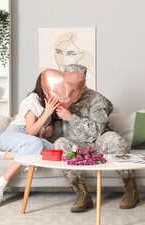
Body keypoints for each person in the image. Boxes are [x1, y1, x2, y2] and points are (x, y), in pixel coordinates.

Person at [54, 64, 139, 212]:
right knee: (60, 143)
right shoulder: (61, 97)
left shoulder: (97, 100)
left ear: (83, 82)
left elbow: (97, 131)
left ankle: (130, 187)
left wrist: (71, 117)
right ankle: (82, 193)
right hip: (78, 144)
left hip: (100, 141)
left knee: (114, 140)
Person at [0, 74, 59, 208]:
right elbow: (30, 132)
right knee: (36, 144)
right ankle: (0, 182)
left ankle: (3, 154)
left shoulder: (49, 102)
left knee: (54, 150)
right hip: (13, 135)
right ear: (43, 87)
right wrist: (47, 114)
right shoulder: (33, 99)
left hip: (27, 142)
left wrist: (51, 124)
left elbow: (49, 122)